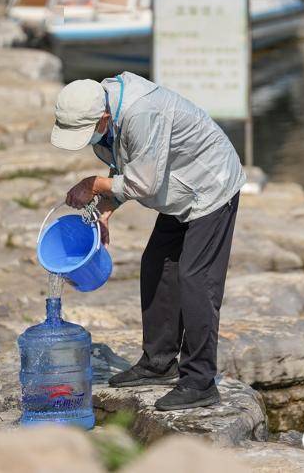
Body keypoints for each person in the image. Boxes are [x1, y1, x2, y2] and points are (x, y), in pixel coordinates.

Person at [50, 72, 246, 411]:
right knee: (157, 264)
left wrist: (93, 184)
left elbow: (144, 185)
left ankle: (200, 381)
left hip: (211, 187)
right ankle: (159, 362)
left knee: (195, 279)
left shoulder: (142, 113)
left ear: (104, 117)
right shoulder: (107, 103)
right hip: (178, 188)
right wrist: (107, 207)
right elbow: (127, 160)